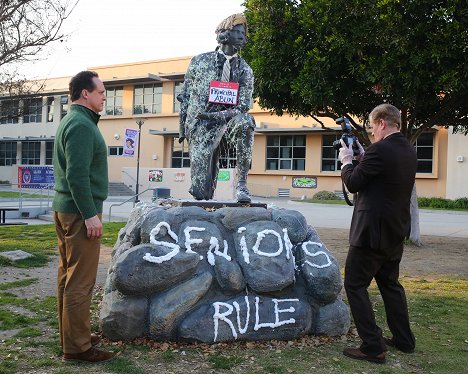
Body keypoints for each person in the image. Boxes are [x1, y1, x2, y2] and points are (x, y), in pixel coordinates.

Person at [338, 103, 417, 364]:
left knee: (354, 284)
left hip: (371, 234)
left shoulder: (380, 150)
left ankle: (372, 346)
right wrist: (363, 157)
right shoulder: (407, 149)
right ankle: (404, 339)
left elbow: (353, 182)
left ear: (382, 122)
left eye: (373, 126)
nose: (372, 131)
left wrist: (347, 161)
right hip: (395, 232)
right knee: (390, 285)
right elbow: (379, 176)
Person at [53, 71, 117, 363]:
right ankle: (77, 348)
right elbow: (76, 176)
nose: (105, 96)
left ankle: (73, 335)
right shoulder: (80, 125)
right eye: (101, 92)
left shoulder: (75, 120)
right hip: (79, 212)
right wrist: (90, 215)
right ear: (85, 94)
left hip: (68, 208)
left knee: (68, 277)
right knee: (80, 281)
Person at [177, 13, 255, 203]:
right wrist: (182, 128)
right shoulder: (199, 61)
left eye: (244, 34)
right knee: (200, 192)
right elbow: (185, 95)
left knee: (246, 122)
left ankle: (242, 185)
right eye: (238, 32)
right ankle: (203, 190)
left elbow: (244, 105)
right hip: (201, 124)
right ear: (224, 35)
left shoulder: (245, 70)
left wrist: (219, 116)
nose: (242, 38)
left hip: (229, 121)